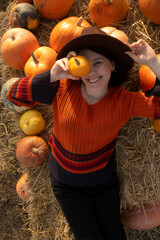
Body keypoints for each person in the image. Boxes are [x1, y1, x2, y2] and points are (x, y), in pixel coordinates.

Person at [6, 26, 160, 240]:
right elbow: (14, 95)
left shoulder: (123, 101)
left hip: (102, 183)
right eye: (85, 64)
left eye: (98, 63)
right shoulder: (62, 88)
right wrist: (53, 74)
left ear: (112, 66)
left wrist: (153, 63)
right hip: (66, 185)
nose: (92, 72)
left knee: (115, 235)